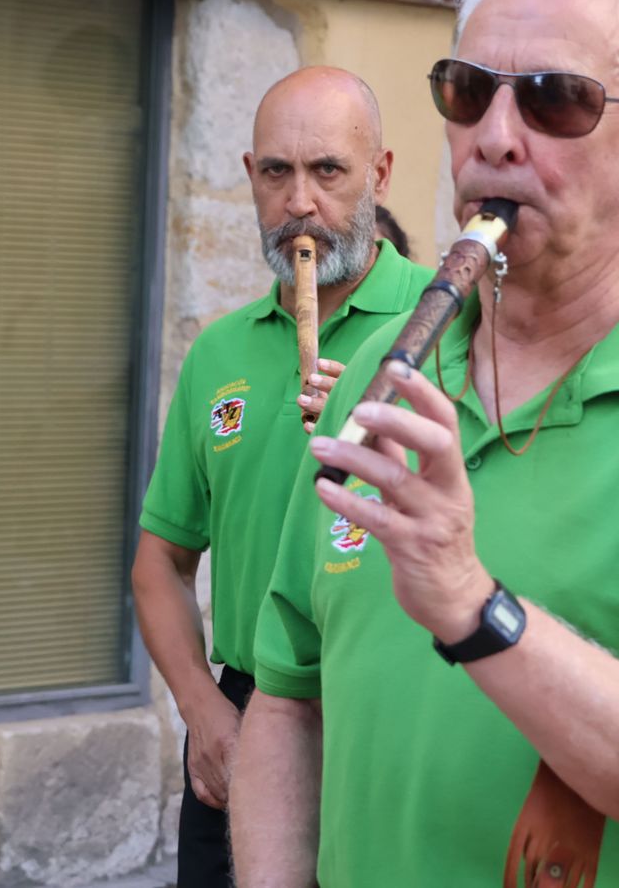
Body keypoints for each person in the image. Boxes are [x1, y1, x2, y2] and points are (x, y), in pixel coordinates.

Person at [231, 0, 619, 886]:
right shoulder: (382, 361)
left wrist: (469, 602)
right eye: (467, 92)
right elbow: (290, 698)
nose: (495, 138)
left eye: (556, 101)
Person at [132, 66, 432, 887]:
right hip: (248, 705)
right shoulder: (220, 352)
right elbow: (159, 562)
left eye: (328, 171)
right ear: (250, 178)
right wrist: (202, 708)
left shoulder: (447, 328)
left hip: (393, 705)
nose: (300, 201)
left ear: (380, 174)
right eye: (277, 172)